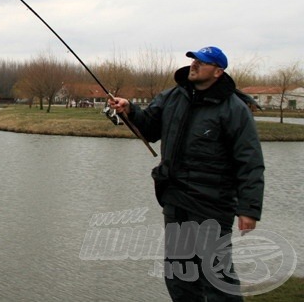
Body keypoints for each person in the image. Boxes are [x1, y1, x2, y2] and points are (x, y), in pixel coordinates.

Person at [108, 46, 264, 302]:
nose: (193, 64)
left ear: (217, 71)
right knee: (179, 273)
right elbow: (148, 128)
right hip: (175, 199)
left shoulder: (234, 109)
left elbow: (250, 162)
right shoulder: (172, 97)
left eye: (201, 62)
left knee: (216, 274)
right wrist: (130, 110)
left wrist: (249, 209)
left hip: (213, 203)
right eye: (193, 60)